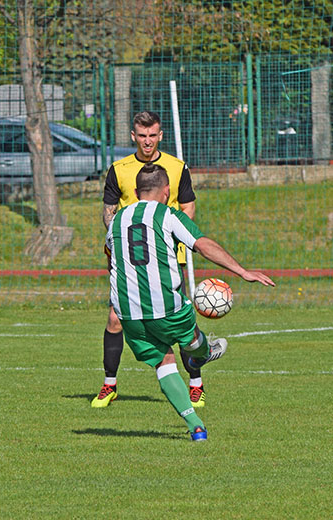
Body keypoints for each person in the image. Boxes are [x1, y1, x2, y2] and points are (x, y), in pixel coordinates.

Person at [106, 163, 274, 440]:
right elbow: (202, 244)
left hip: (127, 310)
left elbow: (112, 255)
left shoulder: (117, 220)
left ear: (136, 192)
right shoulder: (168, 214)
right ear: (167, 191)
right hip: (166, 304)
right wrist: (243, 271)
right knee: (191, 338)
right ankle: (204, 353)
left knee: (164, 361)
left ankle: (196, 426)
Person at [93, 110, 204, 408]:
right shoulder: (119, 169)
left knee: (179, 318)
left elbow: (188, 207)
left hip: (167, 257)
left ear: (160, 135)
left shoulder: (177, 167)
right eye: (142, 136)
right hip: (129, 256)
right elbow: (109, 211)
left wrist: (171, 239)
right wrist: (118, 242)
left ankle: (195, 384)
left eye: (152, 135)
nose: (147, 141)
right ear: (133, 136)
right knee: (115, 318)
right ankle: (109, 385)